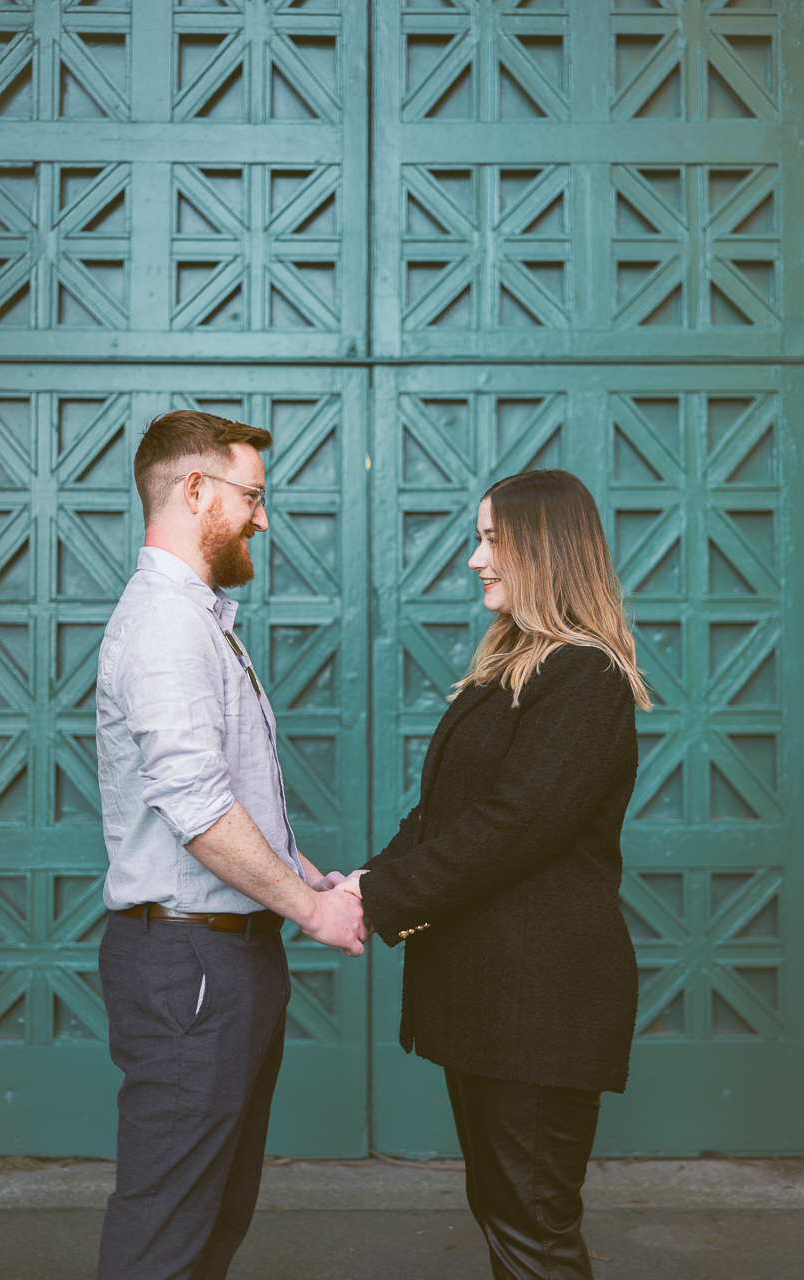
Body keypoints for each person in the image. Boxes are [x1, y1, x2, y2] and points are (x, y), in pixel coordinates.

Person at [348, 469, 650, 1280]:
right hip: (495, 1005)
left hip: (537, 1010)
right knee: (510, 1218)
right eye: (479, 537)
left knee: (533, 1232)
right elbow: (448, 814)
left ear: (543, 549)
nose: (475, 558)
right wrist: (361, 880)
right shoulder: (517, 666)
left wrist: (373, 901)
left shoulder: (583, 676)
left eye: (492, 539)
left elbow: (512, 826)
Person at [94, 410, 366, 1280]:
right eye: (251, 495)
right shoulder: (168, 625)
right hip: (192, 967)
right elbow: (200, 809)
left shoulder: (197, 618)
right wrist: (313, 910)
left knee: (208, 1219)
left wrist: (293, 873)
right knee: (165, 1231)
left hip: (222, 960)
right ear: (196, 488)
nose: (261, 517)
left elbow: (221, 796)